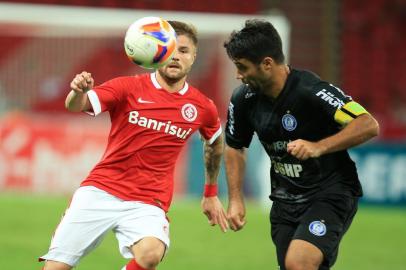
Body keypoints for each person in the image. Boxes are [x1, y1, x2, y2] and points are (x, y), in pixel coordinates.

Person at [39, 20, 228, 270]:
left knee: (150, 254)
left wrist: (211, 193)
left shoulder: (202, 106)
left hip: (148, 201)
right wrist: (78, 91)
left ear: (193, 57)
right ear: (157, 53)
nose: (175, 57)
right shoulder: (127, 87)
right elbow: (77, 105)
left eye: (183, 51)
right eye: (170, 50)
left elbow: (214, 143)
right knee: (56, 268)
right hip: (101, 190)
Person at [223, 19, 379, 270]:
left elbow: (368, 124)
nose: (238, 75)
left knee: (299, 263)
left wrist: (319, 146)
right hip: (285, 201)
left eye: (242, 67)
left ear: (267, 64)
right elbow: (234, 146)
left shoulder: (312, 91)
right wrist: (235, 199)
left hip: (329, 193)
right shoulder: (244, 99)